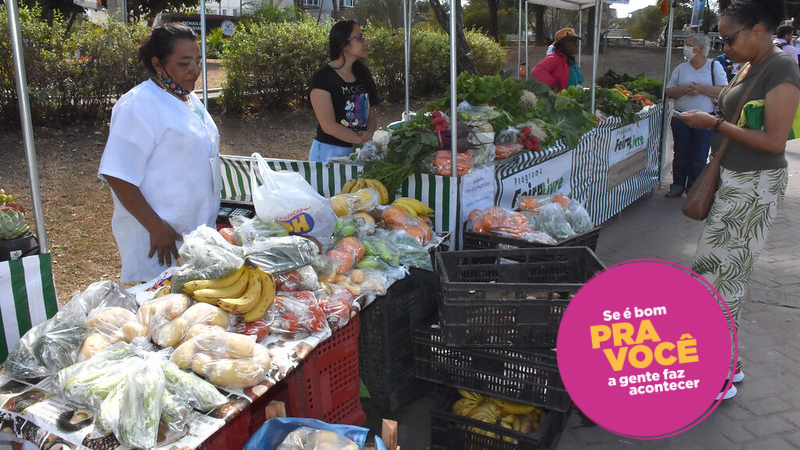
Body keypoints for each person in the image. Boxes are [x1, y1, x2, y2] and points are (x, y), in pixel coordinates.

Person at [675, 0, 800, 400]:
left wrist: (712, 122)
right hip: (736, 180)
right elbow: (736, 101)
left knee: (720, 279)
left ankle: (720, 376)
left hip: (754, 184)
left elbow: (774, 140)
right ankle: (729, 367)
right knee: (713, 274)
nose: (723, 47)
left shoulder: (781, 67)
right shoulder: (753, 64)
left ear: (758, 30)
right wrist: (701, 96)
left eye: (729, 38)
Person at [98, 23, 221, 283]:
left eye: (198, 62)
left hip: (194, 234)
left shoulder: (189, 99)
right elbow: (118, 175)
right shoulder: (138, 106)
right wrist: (156, 227)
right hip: (160, 241)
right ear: (158, 64)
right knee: (161, 308)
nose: (195, 71)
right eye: (184, 64)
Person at [664, 34, 728, 198]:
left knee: (699, 154)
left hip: (705, 119)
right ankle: (677, 185)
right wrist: (685, 90)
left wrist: (701, 89)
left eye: (689, 44)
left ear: (700, 48)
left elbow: (724, 90)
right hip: (681, 117)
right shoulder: (681, 68)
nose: (686, 47)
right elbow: (669, 91)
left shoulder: (714, 67)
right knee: (680, 152)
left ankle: (693, 188)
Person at [308, 20, 379, 162]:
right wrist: (359, 140)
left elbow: (371, 113)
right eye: (359, 37)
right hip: (329, 154)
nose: (366, 42)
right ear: (344, 45)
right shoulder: (322, 78)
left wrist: (369, 133)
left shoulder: (363, 74)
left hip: (359, 150)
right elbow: (328, 126)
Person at [531, 28, 583, 93]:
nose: (575, 44)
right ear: (564, 44)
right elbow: (537, 71)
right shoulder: (554, 58)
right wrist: (553, 83)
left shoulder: (571, 62)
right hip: (562, 100)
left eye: (576, 41)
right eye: (572, 41)